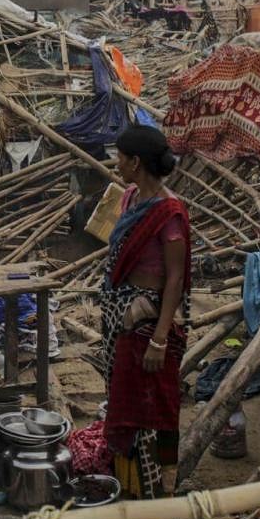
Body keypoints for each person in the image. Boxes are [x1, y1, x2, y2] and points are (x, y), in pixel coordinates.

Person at [97, 125, 191, 499]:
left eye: (120, 157)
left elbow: (175, 280)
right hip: (120, 316)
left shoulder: (168, 215)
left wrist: (158, 339)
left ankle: (159, 492)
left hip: (148, 322)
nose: (116, 163)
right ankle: (129, 486)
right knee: (122, 399)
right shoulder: (130, 199)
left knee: (154, 408)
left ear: (135, 162)